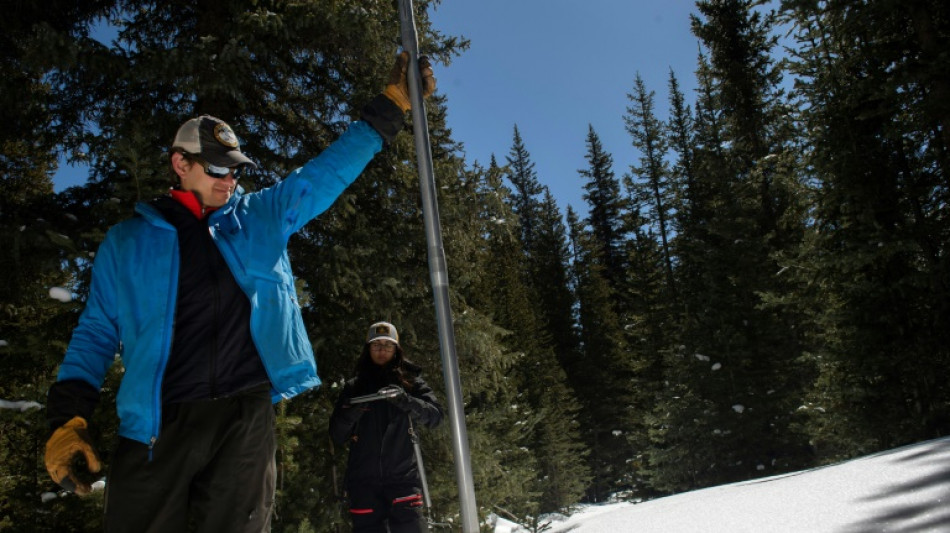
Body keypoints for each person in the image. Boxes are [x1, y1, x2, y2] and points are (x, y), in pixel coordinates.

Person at [42, 51, 436, 533]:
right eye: (216, 169)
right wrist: (68, 419)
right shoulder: (127, 243)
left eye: (234, 170)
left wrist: (390, 107)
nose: (229, 180)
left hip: (243, 421)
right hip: (156, 423)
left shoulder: (258, 218)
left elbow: (324, 174)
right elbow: (96, 335)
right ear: (179, 164)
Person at [329, 321, 443, 533]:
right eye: (376, 345)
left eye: (387, 345)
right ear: (368, 349)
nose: (382, 350)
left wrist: (406, 401)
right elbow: (336, 433)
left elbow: (435, 417)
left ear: (396, 350)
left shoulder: (411, 382)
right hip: (364, 482)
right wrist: (353, 410)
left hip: (403, 479)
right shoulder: (355, 386)